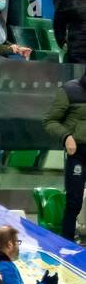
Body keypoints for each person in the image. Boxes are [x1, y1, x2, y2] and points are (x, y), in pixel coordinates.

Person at [43, 70, 86, 238]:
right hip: (78, 154)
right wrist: (66, 136)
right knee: (74, 201)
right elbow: (49, 121)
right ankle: (65, 243)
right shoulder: (69, 90)